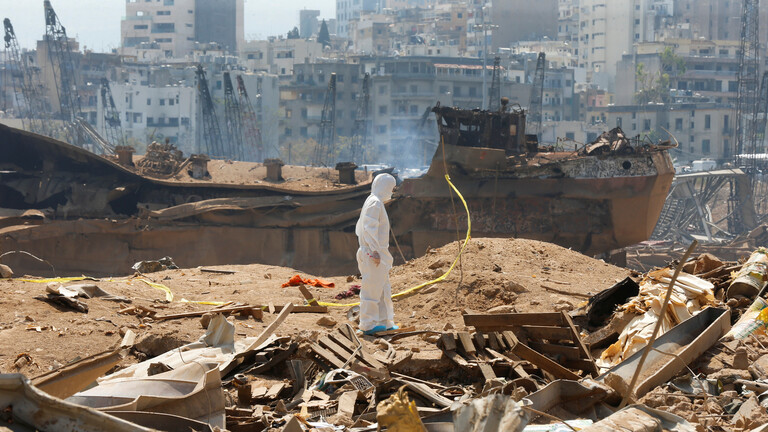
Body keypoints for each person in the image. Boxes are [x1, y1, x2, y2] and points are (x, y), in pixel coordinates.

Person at [355, 173, 397, 335]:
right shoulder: (375, 203)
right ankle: (367, 323)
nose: (392, 192)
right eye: (391, 188)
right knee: (372, 290)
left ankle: (384, 321)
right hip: (373, 253)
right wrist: (374, 251)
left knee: (383, 289)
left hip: (377, 252)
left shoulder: (373, 201)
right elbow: (369, 227)